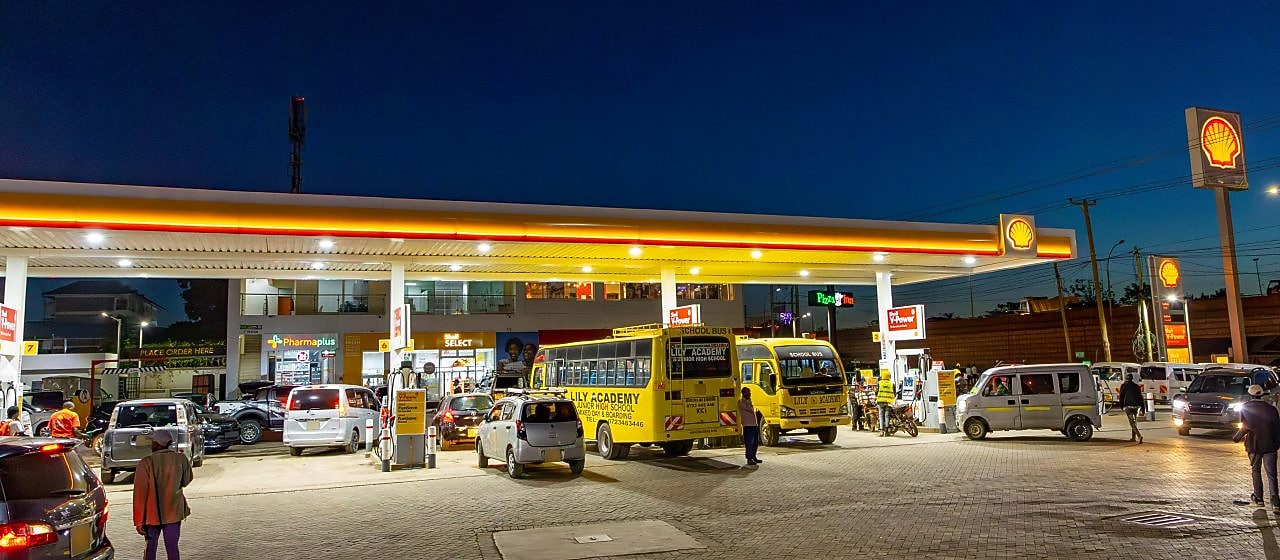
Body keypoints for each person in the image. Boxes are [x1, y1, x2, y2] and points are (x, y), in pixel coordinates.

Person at [134, 430, 193, 560]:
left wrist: (139, 521)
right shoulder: (180, 459)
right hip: (174, 512)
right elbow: (187, 480)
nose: (151, 444)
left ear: (158, 443)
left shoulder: (146, 463)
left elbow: (140, 494)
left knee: (150, 548)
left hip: (152, 515)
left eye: (153, 442)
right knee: (172, 548)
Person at [1234, 384, 1280, 510]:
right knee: (1272, 474)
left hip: (1253, 445)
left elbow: (1245, 426)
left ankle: (1259, 498)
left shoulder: (1245, 408)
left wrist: (1237, 437)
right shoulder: (1271, 409)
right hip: (1270, 445)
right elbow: (1277, 428)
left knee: (1256, 471)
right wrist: (1277, 443)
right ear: (1262, 395)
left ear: (1250, 395)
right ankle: (1275, 501)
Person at [1117, 374, 1145, 444]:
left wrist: (1121, 406)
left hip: (1128, 406)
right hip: (1136, 406)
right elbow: (1140, 397)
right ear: (1132, 379)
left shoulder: (1123, 386)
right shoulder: (1136, 386)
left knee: (1132, 422)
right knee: (1135, 422)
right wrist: (1143, 408)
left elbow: (1121, 397)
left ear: (1126, 378)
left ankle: (1139, 436)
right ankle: (1133, 438)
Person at [738, 387, 761, 465]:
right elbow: (749, 409)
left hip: (753, 424)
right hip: (747, 425)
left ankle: (754, 456)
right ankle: (749, 458)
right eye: (748, 392)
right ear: (743, 393)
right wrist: (749, 403)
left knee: (755, 442)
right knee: (749, 442)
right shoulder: (741, 402)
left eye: (749, 392)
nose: (750, 394)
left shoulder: (749, 401)